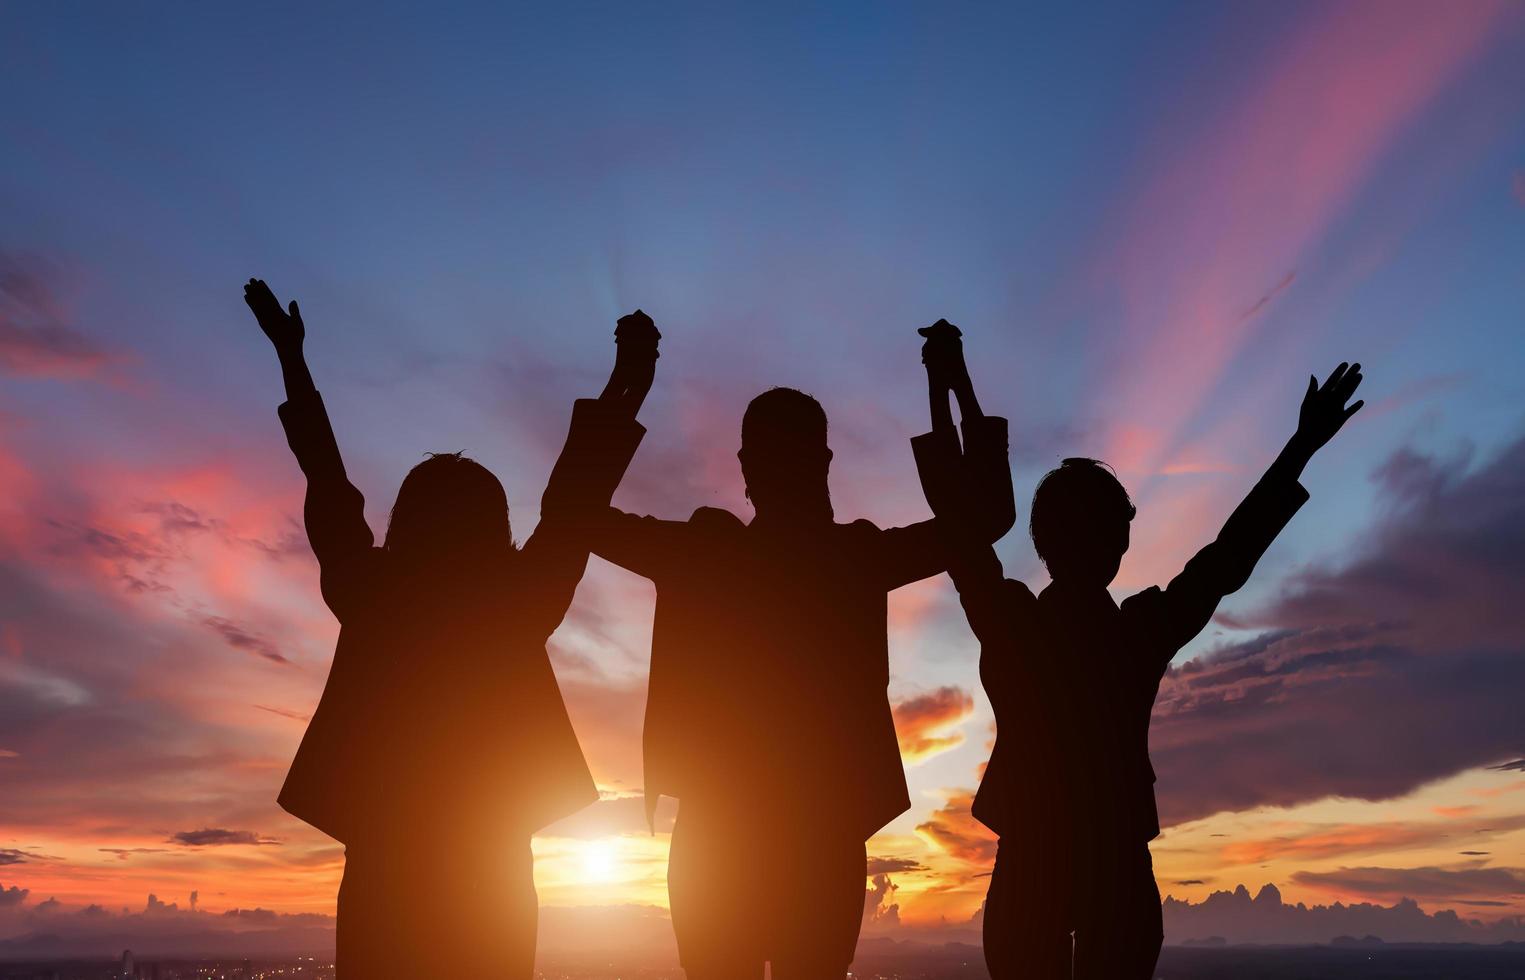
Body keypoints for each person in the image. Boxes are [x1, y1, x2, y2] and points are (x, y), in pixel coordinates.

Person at [243, 279, 659, 977]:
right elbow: (573, 500)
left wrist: (292, 356)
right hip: (490, 868)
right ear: (493, 525)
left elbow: (325, 476)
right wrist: (627, 383)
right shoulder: (516, 598)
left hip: (384, 865)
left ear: (405, 521)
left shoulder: (372, 590)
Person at [588, 320, 1013, 979]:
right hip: (805, 837)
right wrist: (947, 383)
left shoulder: (708, 555)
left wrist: (628, 384)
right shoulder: (846, 557)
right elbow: (983, 519)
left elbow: (576, 513)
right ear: (822, 463)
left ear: (745, 468)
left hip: (731, 837)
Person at [919, 359, 1366, 979]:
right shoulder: (1134, 631)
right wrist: (1299, 448)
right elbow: (1226, 558)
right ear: (1121, 543)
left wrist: (947, 386)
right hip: (1108, 864)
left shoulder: (1015, 620)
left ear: (1042, 540)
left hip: (1044, 862)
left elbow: (960, 526)